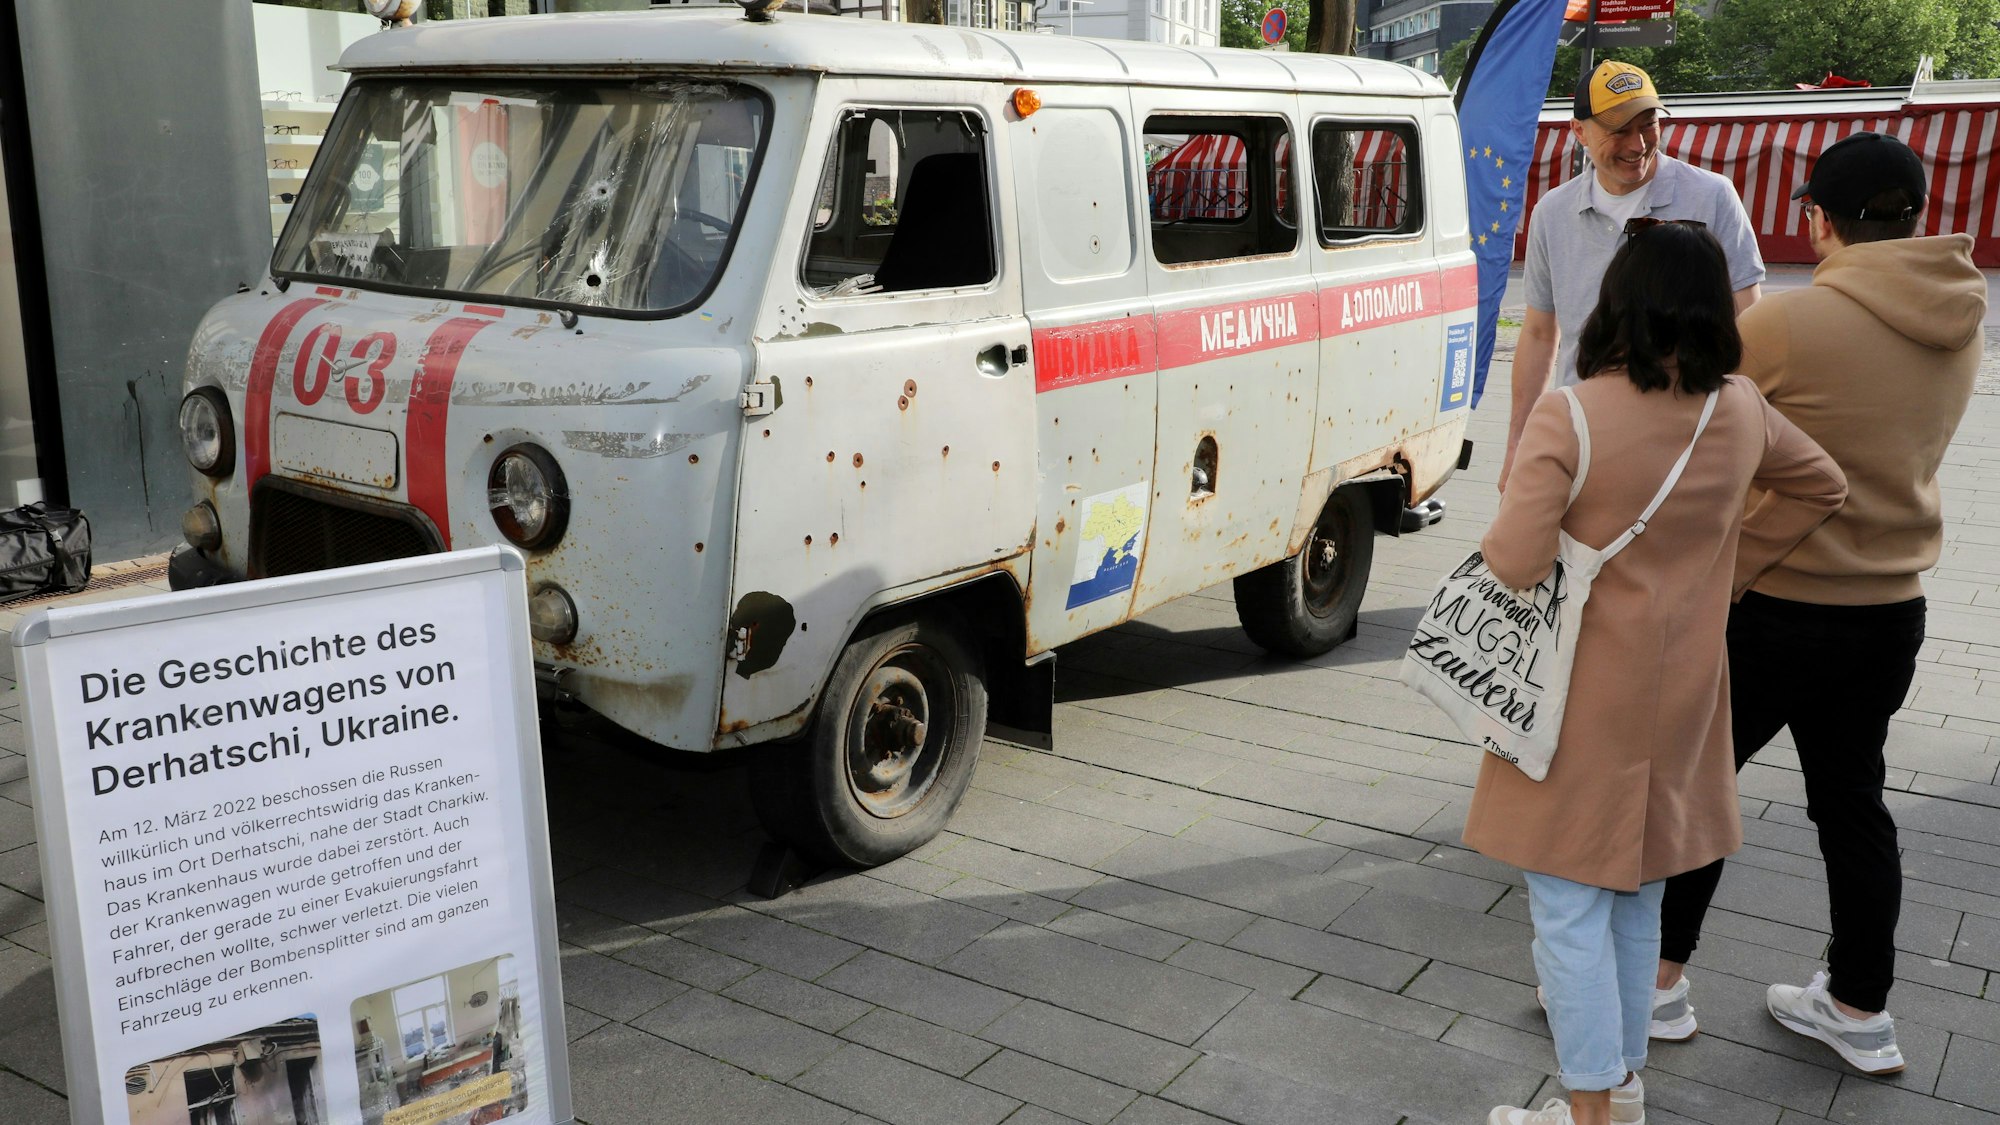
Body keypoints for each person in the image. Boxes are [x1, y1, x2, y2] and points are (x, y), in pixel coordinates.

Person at [1468, 222, 1846, 1125]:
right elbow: (1823, 484)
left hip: (1575, 696)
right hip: (1685, 693)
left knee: (1565, 909)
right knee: (1638, 898)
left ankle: (1593, 1111)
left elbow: (1513, 563)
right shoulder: (1741, 407)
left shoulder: (1572, 413)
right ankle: (1622, 1092)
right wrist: (1728, 561)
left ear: (1617, 304)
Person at [1653, 131, 1987, 1075]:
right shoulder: (1965, 318)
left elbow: (1680, 416)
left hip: (1773, 604)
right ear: (1916, 213)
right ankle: (1859, 1008)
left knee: (1697, 790)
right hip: (1890, 610)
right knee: (1853, 806)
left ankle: (1659, 985)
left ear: (1817, 219)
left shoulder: (1793, 324)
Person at [1503, 60, 1766, 493]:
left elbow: (1750, 320)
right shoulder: (1552, 212)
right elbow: (1537, 334)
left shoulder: (1712, 196)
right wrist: (1518, 443)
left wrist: (1743, 428)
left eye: (1648, 124)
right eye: (1618, 129)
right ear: (1578, 132)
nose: (1638, 143)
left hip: (1688, 439)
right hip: (1582, 435)